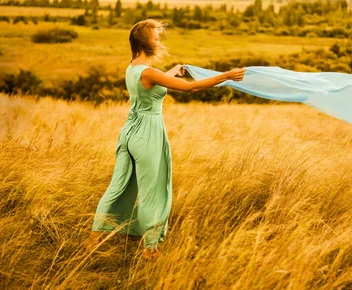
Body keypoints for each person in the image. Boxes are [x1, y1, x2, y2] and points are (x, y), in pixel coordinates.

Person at [82, 19, 246, 260]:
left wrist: (171, 72)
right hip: (148, 133)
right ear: (145, 42)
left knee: (117, 186)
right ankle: (150, 249)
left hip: (129, 132)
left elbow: (151, 81)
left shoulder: (133, 68)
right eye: (155, 38)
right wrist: (228, 76)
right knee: (153, 190)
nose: (158, 42)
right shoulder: (150, 72)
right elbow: (192, 88)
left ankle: (93, 239)